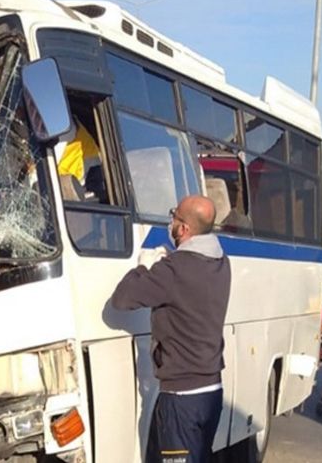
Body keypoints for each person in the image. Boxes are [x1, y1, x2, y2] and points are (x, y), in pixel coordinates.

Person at [110, 195, 231, 463]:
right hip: (212, 391)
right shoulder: (222, 263)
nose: (171, 221)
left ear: (185, 229)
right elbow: (188, 286)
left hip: (181, 399)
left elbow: (122, 298)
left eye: (174, 216)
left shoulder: (174, 269)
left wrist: (143, 265)